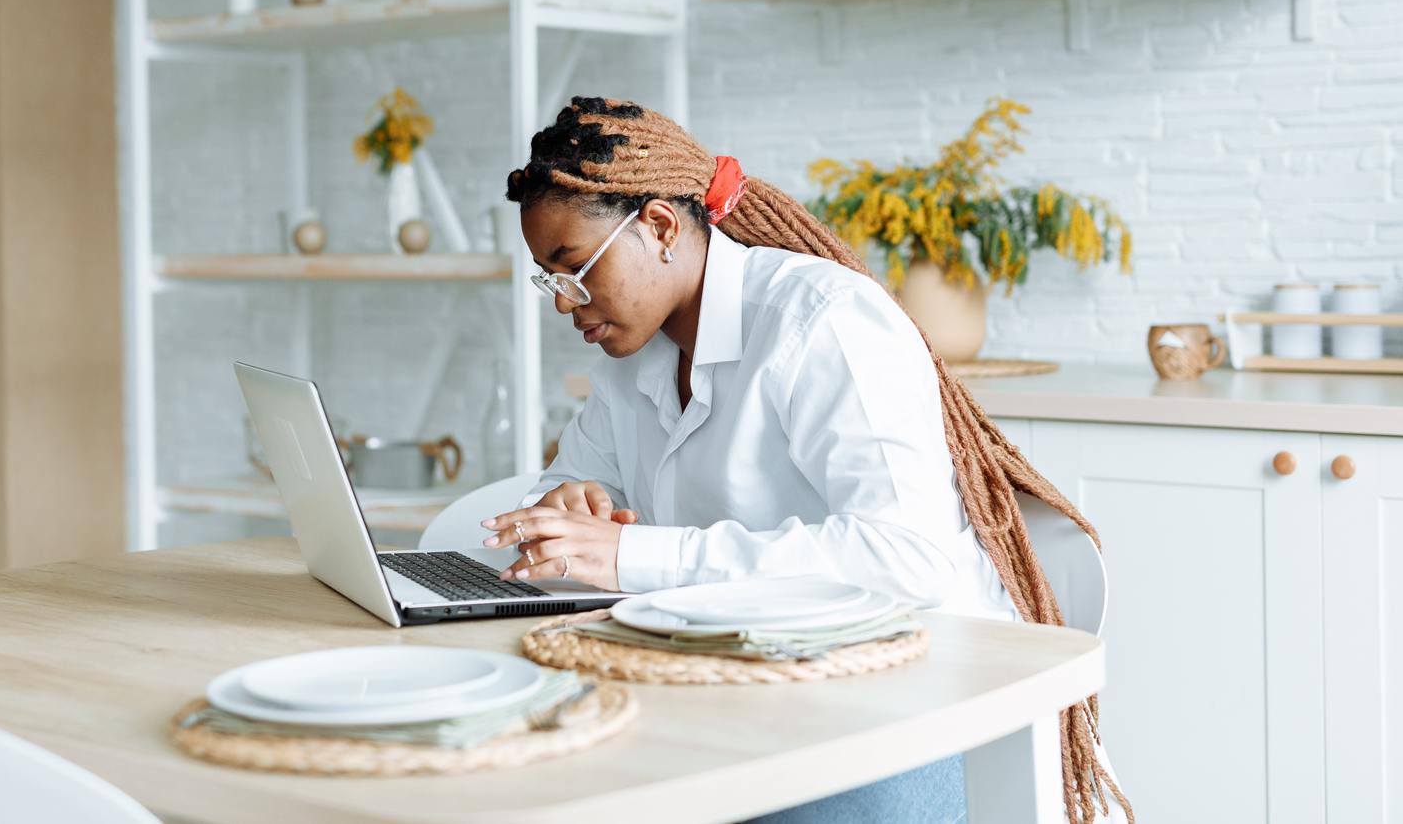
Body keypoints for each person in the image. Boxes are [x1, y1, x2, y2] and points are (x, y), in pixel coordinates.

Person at [479, 97, 1130, 824]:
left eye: (575, 269)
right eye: (550, 279)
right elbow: (572, 479)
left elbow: (905, 558)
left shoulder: (825, 322)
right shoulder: (632, 357)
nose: (566, 303)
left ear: (660, 226)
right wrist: (570, 504)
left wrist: (633, 554)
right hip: (749, 700)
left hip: (911, 713)